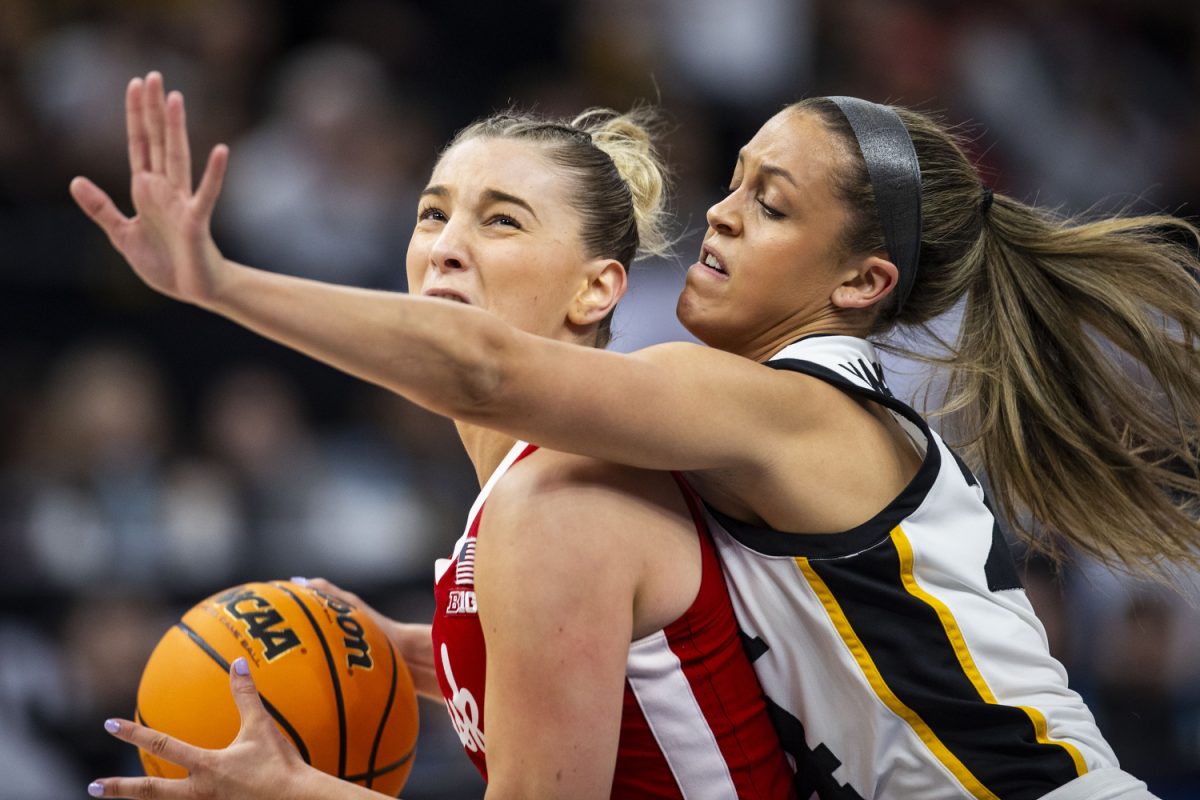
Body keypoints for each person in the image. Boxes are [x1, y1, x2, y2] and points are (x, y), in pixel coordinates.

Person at [71, 71, 1200, 797]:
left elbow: (490, 367)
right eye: (737, 181)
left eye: (772, 204)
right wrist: (403, 649)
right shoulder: (704, 449)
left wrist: (216, 283)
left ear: (863, 279)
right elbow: (653, 657)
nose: (720, 211)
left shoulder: (781, 407)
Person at [73, 74, 797, 799]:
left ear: (597, 289)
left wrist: (289, 791)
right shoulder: (532, 487)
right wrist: (388, 650)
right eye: (431, 214)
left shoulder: (563, 502)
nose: (446, 248)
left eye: (502, 221)